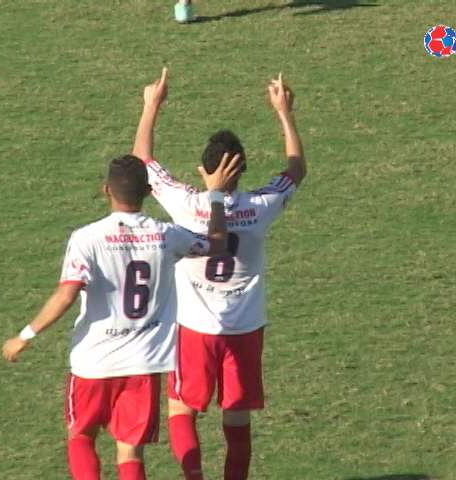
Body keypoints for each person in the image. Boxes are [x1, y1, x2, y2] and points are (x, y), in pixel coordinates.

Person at [1, 128, 243, 478]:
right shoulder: (166, 234)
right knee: (131, 452)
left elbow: (67, 294)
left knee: (81, 435)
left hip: (93, 361)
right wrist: (216, 195)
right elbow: (216, 244)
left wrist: (24, 335)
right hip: (144, 365)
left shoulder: (87, 238)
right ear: (148, 192)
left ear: (106, 191)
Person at [132, 69, 306, 480]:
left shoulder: (185, 204)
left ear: (202, 170)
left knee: (181, 409)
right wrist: (284, 112)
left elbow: (143, 162)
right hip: (245, 328)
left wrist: (151, 106)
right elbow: (295, 170)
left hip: (194, 329)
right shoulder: (261, 207)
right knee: (238, 422)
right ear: (242, 170)